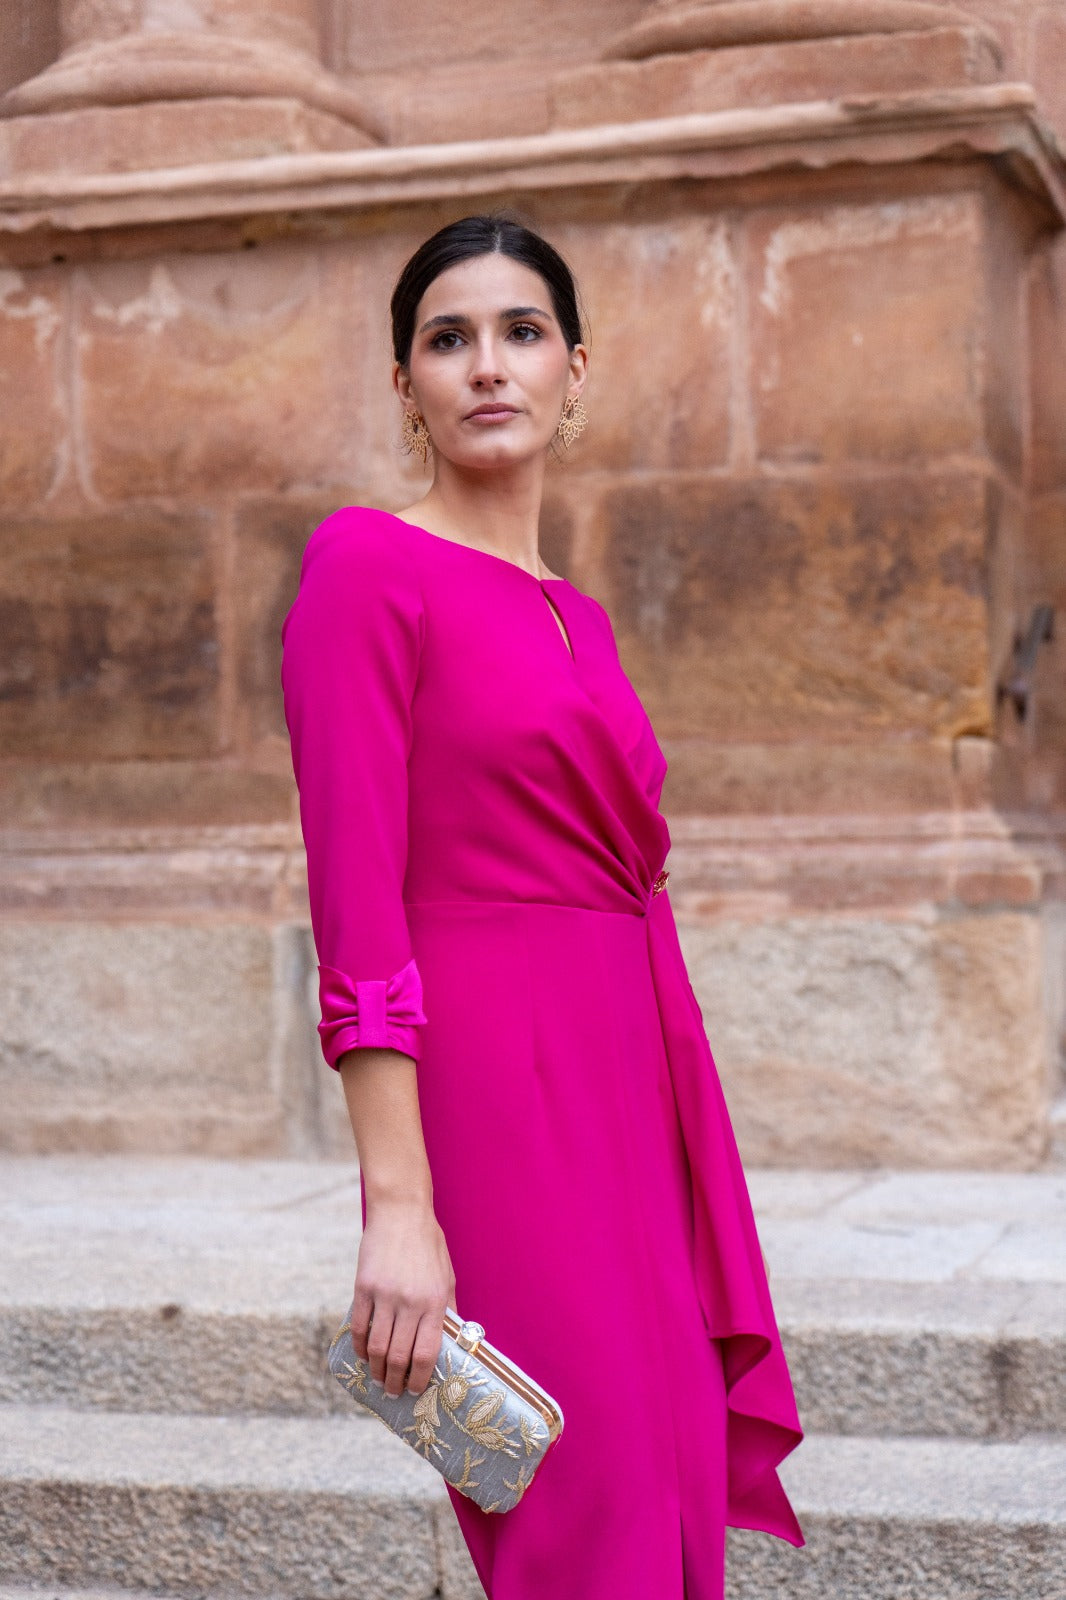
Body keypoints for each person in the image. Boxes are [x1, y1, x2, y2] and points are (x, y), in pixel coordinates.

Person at [280, 211, 803, 1600]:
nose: (487, 365)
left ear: (577, 367)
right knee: (587, 1510)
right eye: (446, 340)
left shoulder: (583, 616)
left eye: (522, 332)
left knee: (671, 1479)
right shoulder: (365, 568)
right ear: (406, 386)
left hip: (633, 1086)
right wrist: (400, 1207)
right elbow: (356, 902)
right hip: (495, 1094)